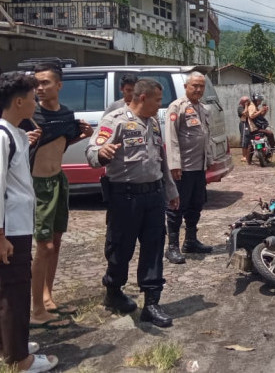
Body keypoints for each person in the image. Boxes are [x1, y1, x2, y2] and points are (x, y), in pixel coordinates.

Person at [85, 78, 179, 328]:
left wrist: (170, 190)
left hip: (153, 196)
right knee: (120, 249)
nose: (160, 105)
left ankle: (151, 303)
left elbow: (162, 160)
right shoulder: (115, 120)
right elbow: (92, 151)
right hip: (125, 197)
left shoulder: (154, 124)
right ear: (142, 98)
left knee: (154, 248)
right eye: (157, 100)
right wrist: (101, 154)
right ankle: (113, 292)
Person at [22, 62, 93, 328]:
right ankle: (37, 308)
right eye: (37, 83)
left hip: (58, 181)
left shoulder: (66, 114)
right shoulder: (30, 115)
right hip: (36, 184)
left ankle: (48, 296)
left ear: (59, 85)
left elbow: (60, 141)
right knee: (44, 246)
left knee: (57, 241)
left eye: (45, 82)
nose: (40, 88)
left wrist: (83, 135)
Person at [0, 72, 59, 372]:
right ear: (19, 101)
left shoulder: (14, 133)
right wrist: (1, 236)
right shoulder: (1, 135)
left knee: (11, 288)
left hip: (17, 224)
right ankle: (18, 358)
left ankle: (11, 343)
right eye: (33, 97)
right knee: (15, 290)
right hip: (9, 228)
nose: (37, 102)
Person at [163, 72, 213, 265]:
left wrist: (208, 159)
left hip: (198, 166)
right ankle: (172, 247)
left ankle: (190, 241)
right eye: (194, 86)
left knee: (196, 204)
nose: (198, 89)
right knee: (176, 207)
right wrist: (175, 164)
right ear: (186, 86)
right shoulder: (177, 107)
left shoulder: (202, 108)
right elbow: (171, 137)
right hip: (183, 167)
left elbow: (204, 136)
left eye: (201, 86)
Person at [237, 96, 251, 163]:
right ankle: (244, 156)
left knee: (249, 139)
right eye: (246, 101)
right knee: (244, 139)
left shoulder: (249, 107)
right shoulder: (240, 107)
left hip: (249, 123)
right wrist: (245, 106)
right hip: (243, 123)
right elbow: (244, 113)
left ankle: (248, 155)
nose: (247, 102)